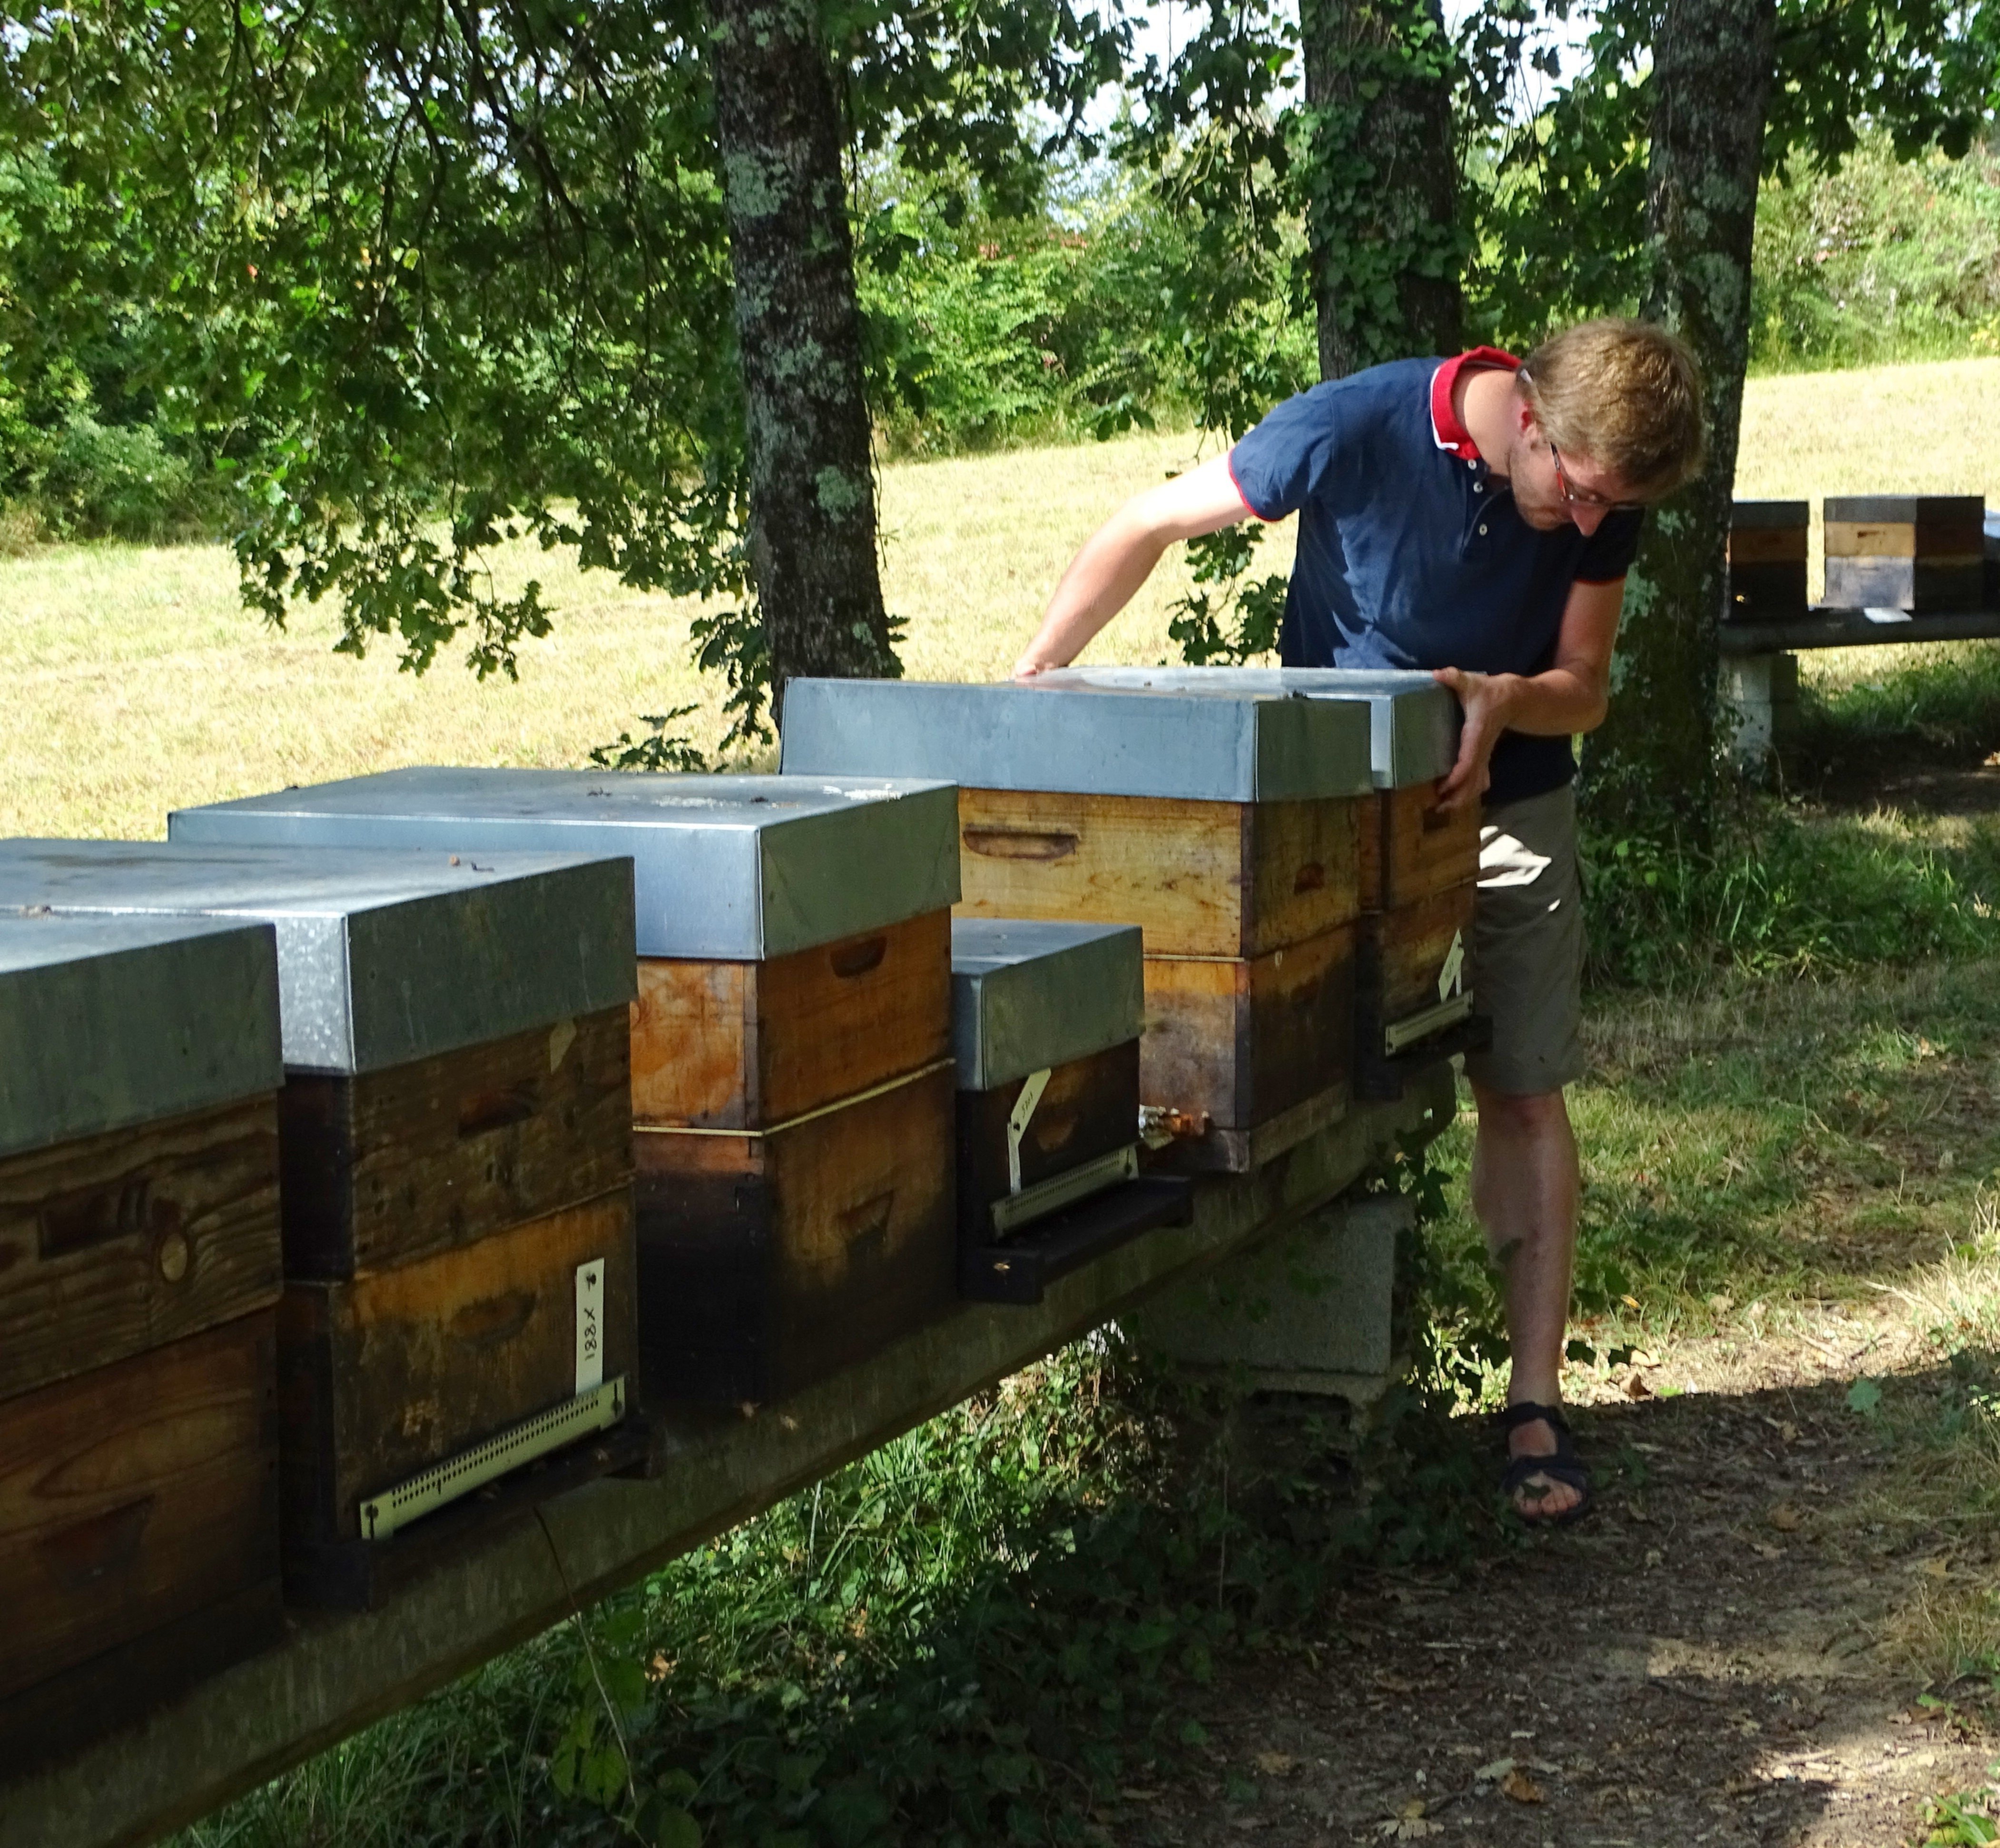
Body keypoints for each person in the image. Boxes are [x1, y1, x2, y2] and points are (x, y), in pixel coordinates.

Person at [1012, 317, 1707, 1525]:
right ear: (1527, 423)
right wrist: (1026, 692)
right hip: (1323, 809)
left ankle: (1531, 1403)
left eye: (1614, 509)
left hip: (1506, 810)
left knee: (1524, 1085)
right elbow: (1144, 527)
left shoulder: (1606, 489)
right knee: (1270, 1067)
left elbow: (1582, 688)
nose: (1592, 524)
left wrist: (1505, 700)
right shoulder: (1348, 426)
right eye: (1580, 495)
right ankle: (1251, 1411)